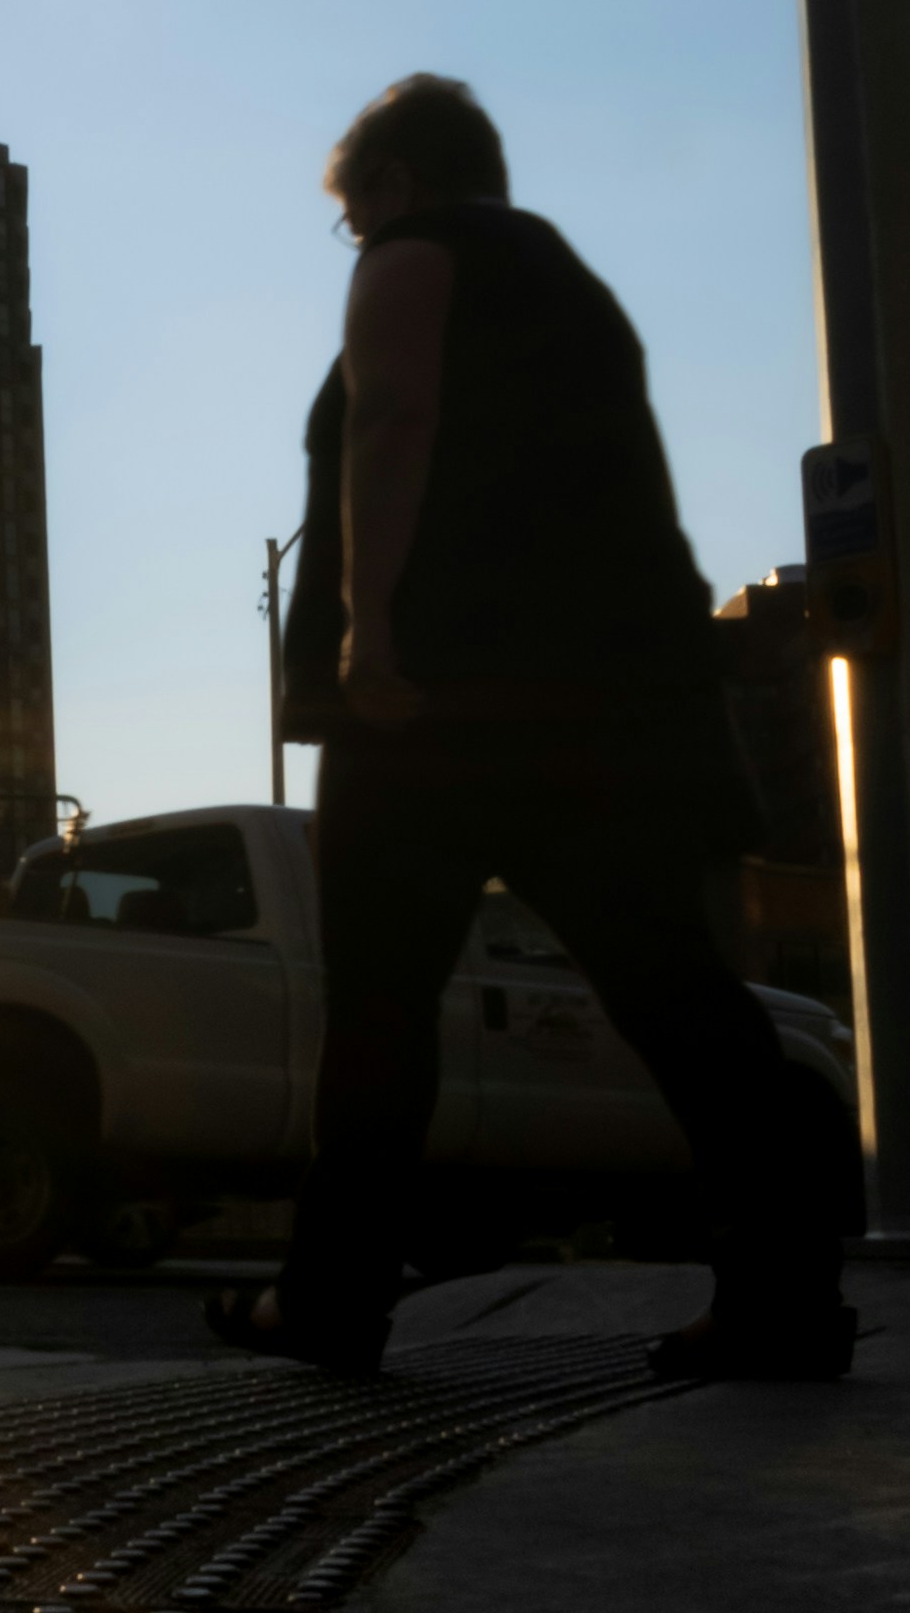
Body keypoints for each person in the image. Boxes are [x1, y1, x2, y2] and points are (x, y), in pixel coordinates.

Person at [228, 72, 854, 1384]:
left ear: (393, 181)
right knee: (675, 991)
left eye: (353, 216)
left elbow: (393, 417)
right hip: (611, 707)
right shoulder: (570, 288)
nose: (357, 238)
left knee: (381, 1008)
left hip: (434, 707)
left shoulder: (414, 252)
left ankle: (332, 1296)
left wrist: (368, 631)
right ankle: (782, 1289)